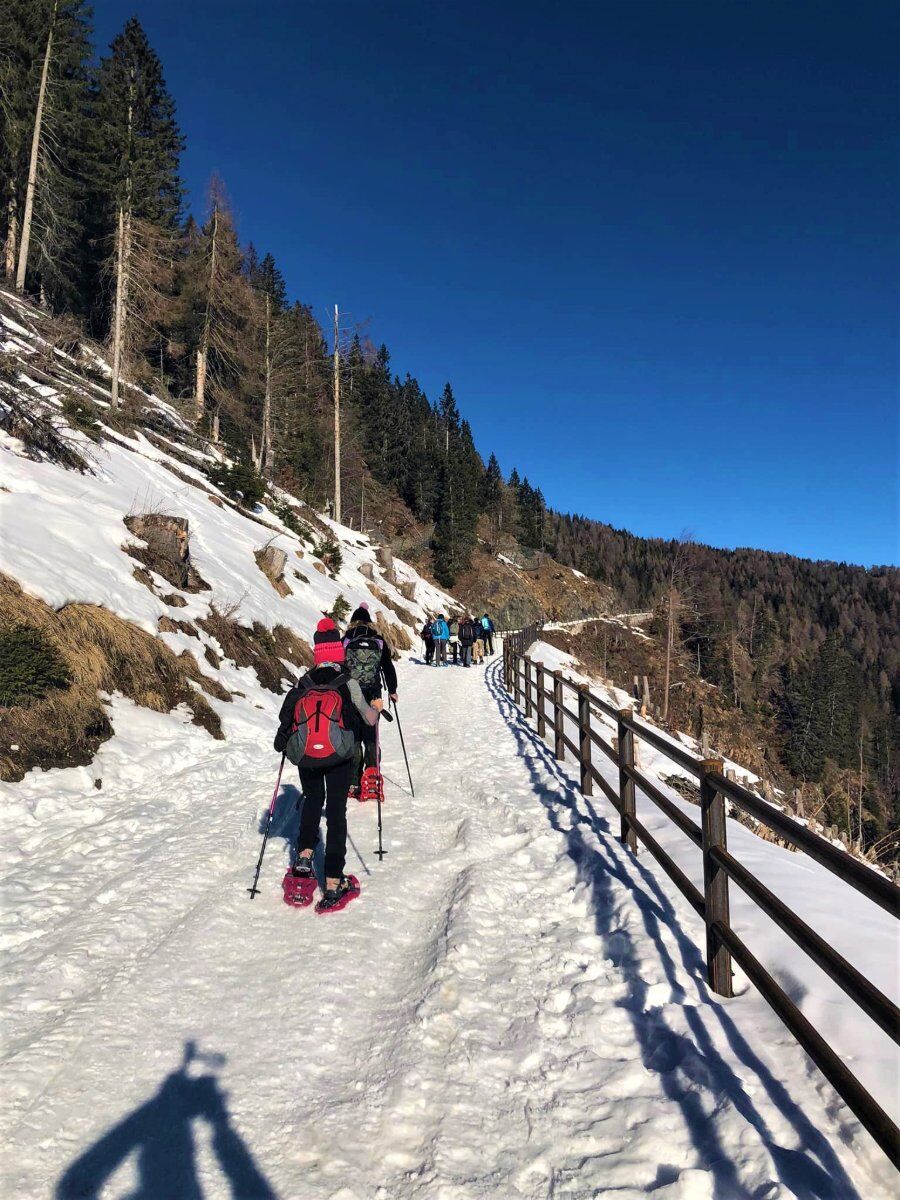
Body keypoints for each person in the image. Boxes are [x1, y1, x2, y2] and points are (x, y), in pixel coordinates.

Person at [274, 618, 381, 912]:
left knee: (311, 801)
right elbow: (368, 719)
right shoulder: (348, 682)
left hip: (307, 756)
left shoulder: (304, 682)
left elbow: (286, 719)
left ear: (317, 653)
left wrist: (285, 742)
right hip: (339, 757)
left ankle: (304, 859)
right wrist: (375, 709)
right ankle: (333, 881)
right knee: (335, 813)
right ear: (339, 653)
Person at [342, 603, 398, 798]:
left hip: (351, 694)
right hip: (374, 695)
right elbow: (388, 667)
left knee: (354, 735)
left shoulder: (347, 639)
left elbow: (340, 666)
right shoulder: (378, 640)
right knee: (371, 733)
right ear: (369, 621)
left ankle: (353, 780)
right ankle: (372, 773)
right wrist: (392, 690)